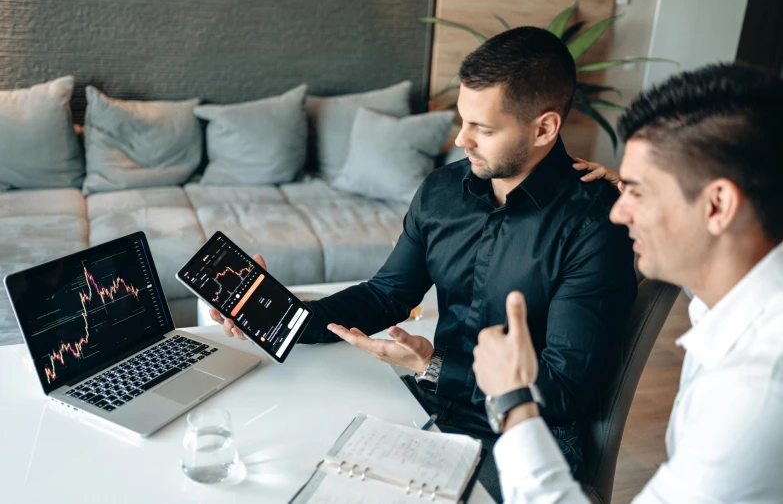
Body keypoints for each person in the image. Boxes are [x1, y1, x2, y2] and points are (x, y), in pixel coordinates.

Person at [211, 26, 637, 501]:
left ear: (544, 128)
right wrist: (269, 313)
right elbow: (385, 295)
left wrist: (432, 365)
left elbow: (567, 389)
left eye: (484, 129)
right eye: (463, 120)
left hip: (528, 437)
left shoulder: (596, 224)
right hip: (431, 401)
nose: (461, 139)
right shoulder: (441, 193)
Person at [472, 63, 783, 503]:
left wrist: (513, 401)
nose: (618, 212)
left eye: (638, 192)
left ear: (717, 206)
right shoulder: (749, 290)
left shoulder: (755, 393)